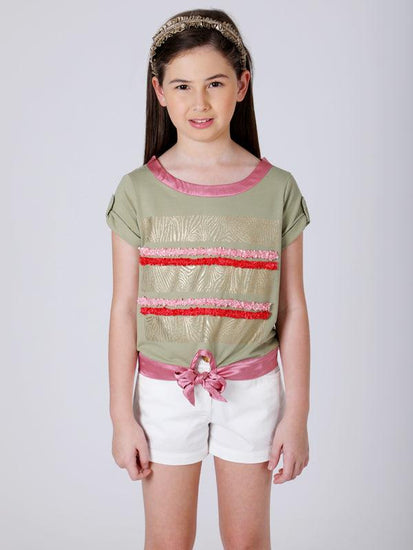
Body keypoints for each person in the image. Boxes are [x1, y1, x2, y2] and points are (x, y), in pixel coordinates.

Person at [105, 8, 311, 550]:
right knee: (169, 542)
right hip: (164, 393)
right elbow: (124, 308)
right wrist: (121, 415)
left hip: (254, 390)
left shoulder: (278, 189)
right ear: (160, 92)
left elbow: (292, 308)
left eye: (215, 84)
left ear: (242, 85)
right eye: (183, 86)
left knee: (246, 541)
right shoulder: (136, 191)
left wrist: (297, 414)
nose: (199, 102)